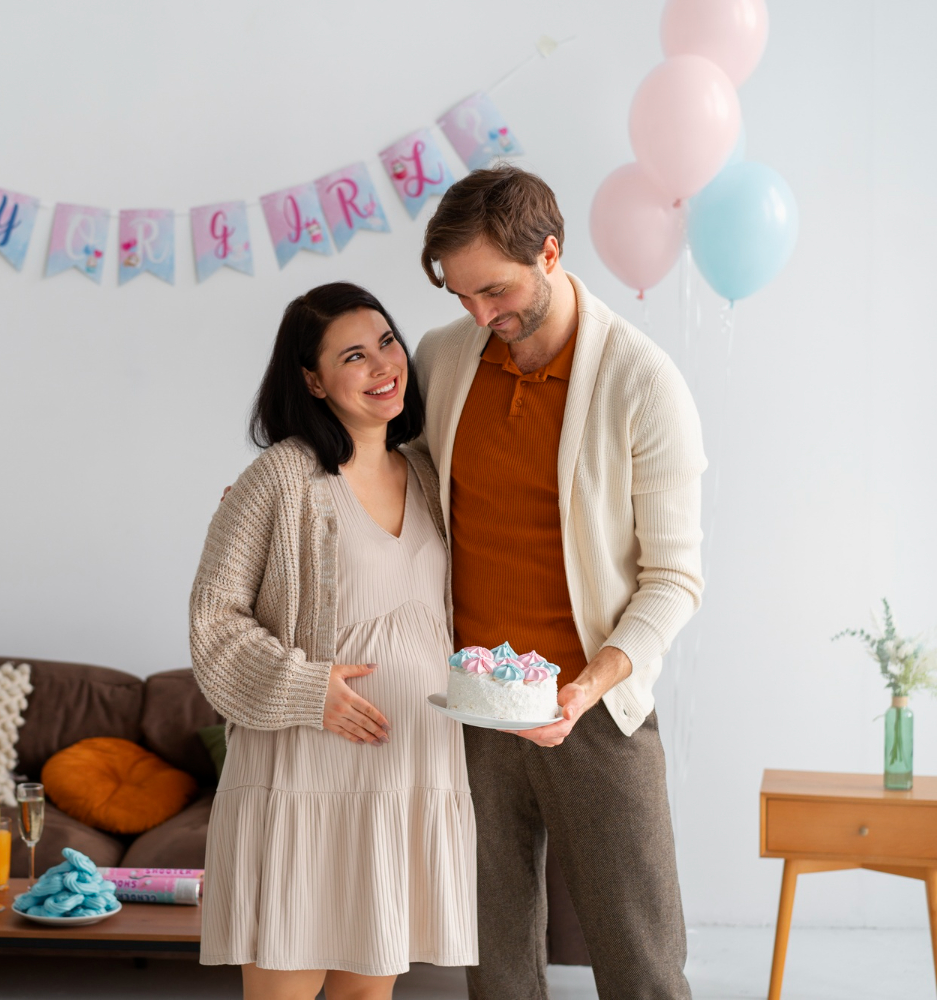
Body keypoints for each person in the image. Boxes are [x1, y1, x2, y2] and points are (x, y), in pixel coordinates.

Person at [411, 165, 705, 1000]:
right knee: (494, 967)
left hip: (594, 710)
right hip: (473, 704)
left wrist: (589, 687)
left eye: (494, 292)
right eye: (460, 295)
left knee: (642, 962)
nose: (479, 316)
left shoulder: (642, 383)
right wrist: (290, 485)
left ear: (550, 252)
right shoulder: (443, 358)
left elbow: (675, 578)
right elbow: (392, 476)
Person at [189, 282, 476, 1000]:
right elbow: (212, 622)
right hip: (305, 781)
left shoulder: (428, 473)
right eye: (354, 355)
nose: (384, 364)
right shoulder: (279, 480)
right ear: (312, 380)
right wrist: (309, 691)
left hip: (400, 777)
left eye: (386, 342)